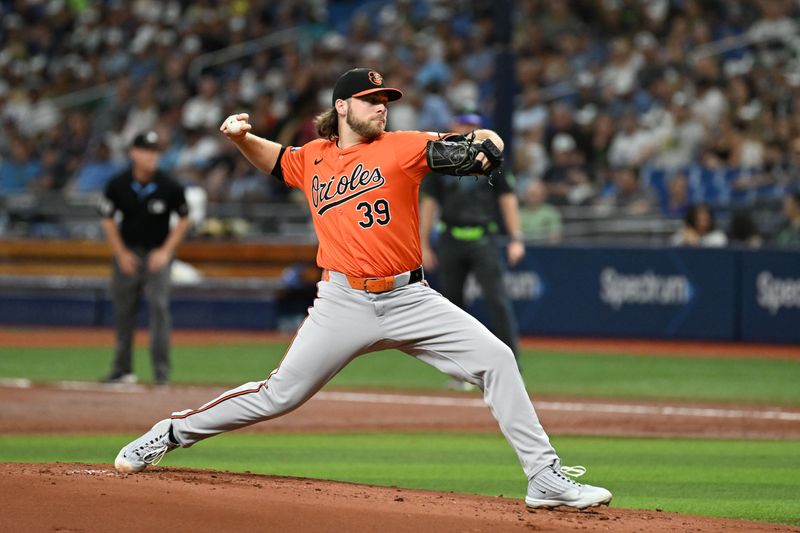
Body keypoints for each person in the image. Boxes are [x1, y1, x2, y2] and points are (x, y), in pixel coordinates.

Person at [114, 68, 612, 510]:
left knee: (497, 358)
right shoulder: (312, 158)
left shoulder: (405, 147)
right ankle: (172, 431)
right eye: (372, 100)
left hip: (410, 297)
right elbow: (277, 158)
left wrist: (487, 140)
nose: (381, 107)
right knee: (278, 396)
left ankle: (544, 478)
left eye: (386, 101)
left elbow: (472, 146)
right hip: (342, 301)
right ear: (342, 106)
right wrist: (242, 137)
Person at [420, 111, 524, 375]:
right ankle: (460, 372)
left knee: (497, 302)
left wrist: (515, 238)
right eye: (463, 123)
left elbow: (508, 198)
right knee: (451, 308)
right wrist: (423, 244)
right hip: (450, 238)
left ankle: (512, 368)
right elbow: (429, 204)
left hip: (483, 237)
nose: (467, 128)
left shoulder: (492, 157)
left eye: (472, 125)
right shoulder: (440, 158)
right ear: (453, 125)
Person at [100, 130, 191, 385]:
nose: (153, 156)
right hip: (128, 252)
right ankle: (121, 369)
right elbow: (107, 218)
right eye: (147, 150)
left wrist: (165, 251)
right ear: (134, 153)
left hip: (157, 254)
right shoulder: (117, 184)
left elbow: (184, 218)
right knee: (123, 311)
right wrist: (121, 253)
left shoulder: (169, 186)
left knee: (159, 309)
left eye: (156, 151)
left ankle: (162, 374)